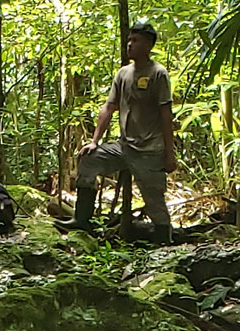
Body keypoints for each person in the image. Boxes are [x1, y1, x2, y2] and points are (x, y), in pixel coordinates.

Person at [56, 22, 175, 242]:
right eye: (129, 40)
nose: (130, 44)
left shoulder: (158, 74)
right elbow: (109, 108)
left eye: (136, 41)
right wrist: (94, 141)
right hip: (124, 147)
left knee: (154, 200)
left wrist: (170, 153)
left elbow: (166, 114)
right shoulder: (123, 74)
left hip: (150, 150)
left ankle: (163, 242)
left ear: (149, 45)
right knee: (89, 161)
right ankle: (82, 220)